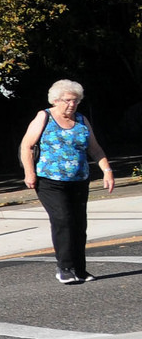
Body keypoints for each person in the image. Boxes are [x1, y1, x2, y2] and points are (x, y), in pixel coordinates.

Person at [19, 80, 115, 285]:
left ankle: (79, 269)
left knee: (79, 224)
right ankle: (64, 268)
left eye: (76, 101)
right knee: (63, 219)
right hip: (49, 180)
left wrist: (107, 171)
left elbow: (95, 149)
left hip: (79, 179)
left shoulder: (81, 120)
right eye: (67, 100)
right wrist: (29, 173)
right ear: (55, 100)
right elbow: (27, 146)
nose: (72, 104)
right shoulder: (44, 116)